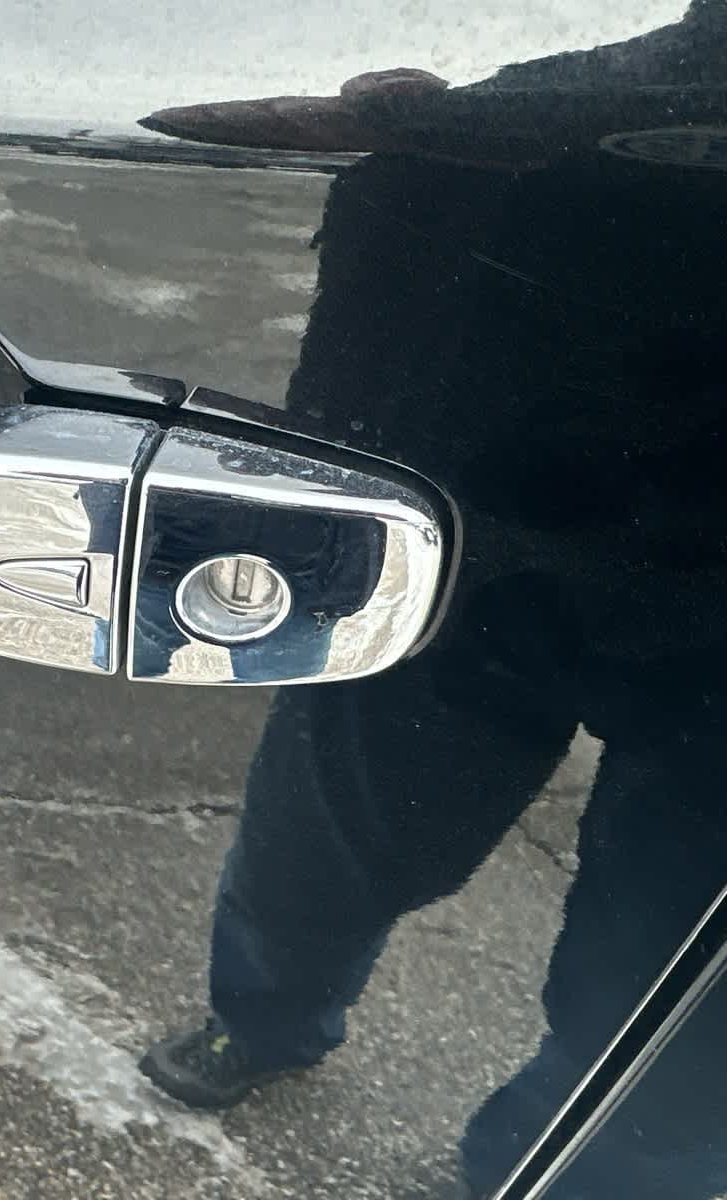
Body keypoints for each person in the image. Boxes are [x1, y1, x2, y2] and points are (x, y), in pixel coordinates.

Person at [137, 8, 727, 1196]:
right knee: (322, 839)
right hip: (475, 517)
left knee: (680, 1009)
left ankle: (571, 1175)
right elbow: (390, 247)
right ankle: (261, 1019)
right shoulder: (577, 81)